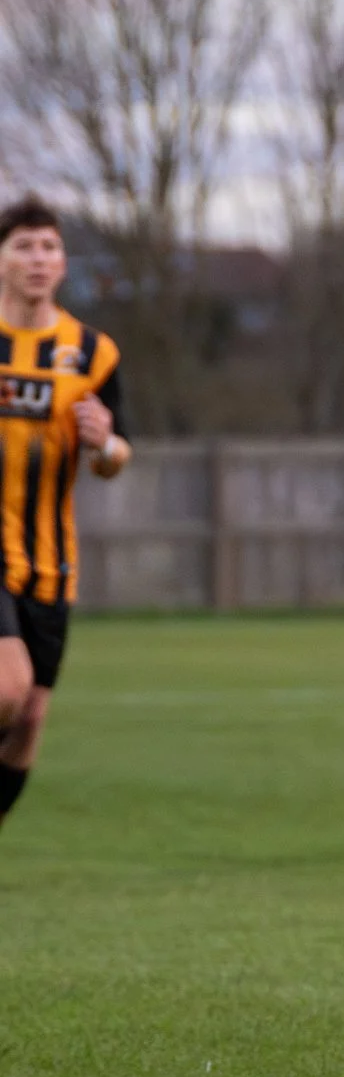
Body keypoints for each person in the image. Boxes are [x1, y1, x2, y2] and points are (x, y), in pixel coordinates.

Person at [0, 196, 131, 835]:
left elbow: (117, 457)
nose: (38, 259)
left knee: (27, 721)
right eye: (24, 246)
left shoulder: (91, 352)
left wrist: (103, 440)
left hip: (51, 561)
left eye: (49, 247)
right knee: (6, 686)